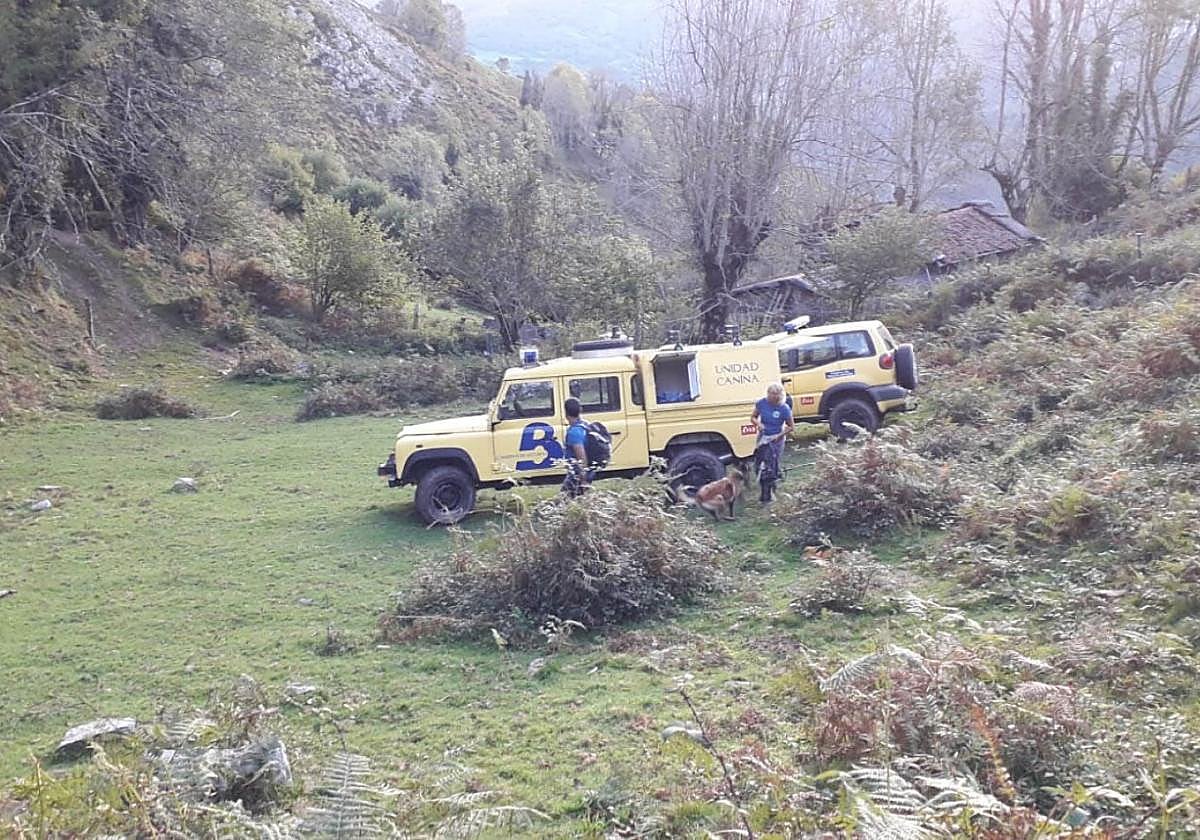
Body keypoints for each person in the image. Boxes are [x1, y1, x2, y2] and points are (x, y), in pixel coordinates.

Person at [751, 382, 794, 503]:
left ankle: (770, 491)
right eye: (770, 396)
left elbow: (791, 427)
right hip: (763, 436)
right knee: (759, 462)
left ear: (779, 397)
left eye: (775, 398)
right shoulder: (761, 403)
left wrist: (779, 436)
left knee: (771, 465)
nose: (772, 400)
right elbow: (753, 417)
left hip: (776, 438)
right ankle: (763, 484)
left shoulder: (784, 408)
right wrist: (758, 424)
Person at [561, 397, 593, 497]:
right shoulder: (585, 425)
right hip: (585, 472)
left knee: (564, 499)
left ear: (566, 413)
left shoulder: (574, 432)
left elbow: (581, 456)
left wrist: (583, 480)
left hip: (577, 475)